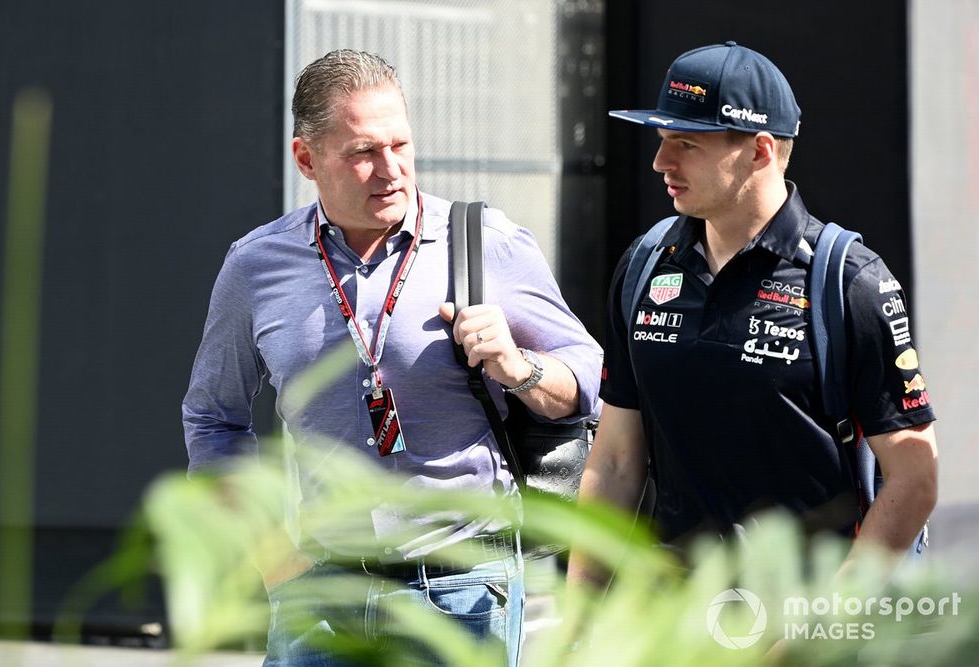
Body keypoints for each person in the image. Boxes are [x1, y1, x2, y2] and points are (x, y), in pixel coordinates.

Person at [182, 49, 601, 666]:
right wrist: (273, 559)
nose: (391, 170)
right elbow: (213, 419)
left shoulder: (484, 243)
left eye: (400, 146)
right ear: (307, 158)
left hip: (464, 595)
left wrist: (520, 368)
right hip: (320, 598)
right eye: (363, 153)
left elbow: (589, 379)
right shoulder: (256, 266)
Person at [568, 42, 937, 588]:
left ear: (761, 151)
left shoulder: (848, 280)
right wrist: (578, 615)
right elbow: (617, 458)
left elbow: (914, 478)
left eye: (685, 144)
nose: (660, 162)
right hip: (673, 621)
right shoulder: (645, 265)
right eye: (661, 140)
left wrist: (821, 627)